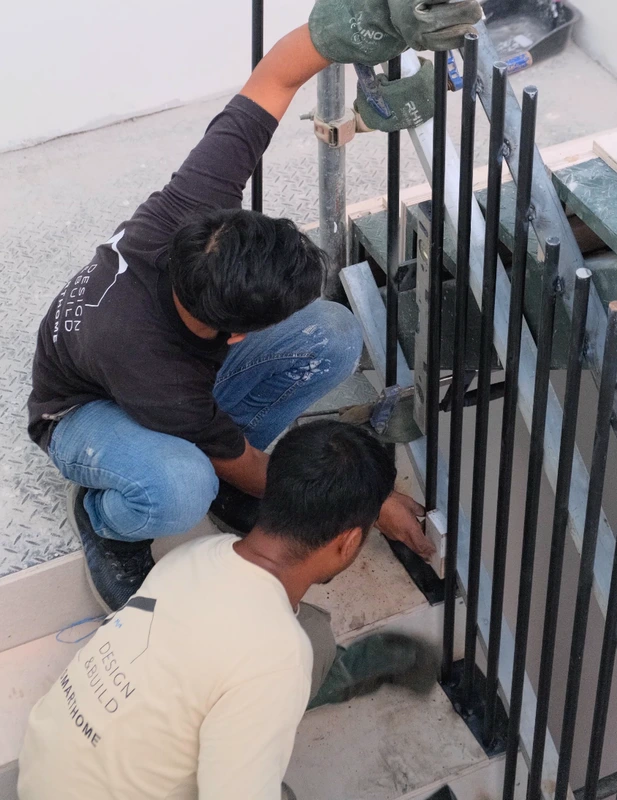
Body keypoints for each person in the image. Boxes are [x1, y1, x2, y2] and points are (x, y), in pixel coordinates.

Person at [27, 0, 481, 613]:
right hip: (79, 411)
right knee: (181, 486)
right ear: (237, 336)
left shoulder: (195, 208)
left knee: (331, 333)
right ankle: (106, 522)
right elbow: (234, 458)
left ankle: (222, 484)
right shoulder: (156, 370)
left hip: (142, 360)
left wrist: (371, 18)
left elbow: (277, 76)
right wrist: (367, 502)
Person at [19, 421, 433, 800]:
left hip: (43, 769)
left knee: (309, 634)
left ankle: (345, 674)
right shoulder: (278, 656)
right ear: (348, 542)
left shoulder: (197, 555)